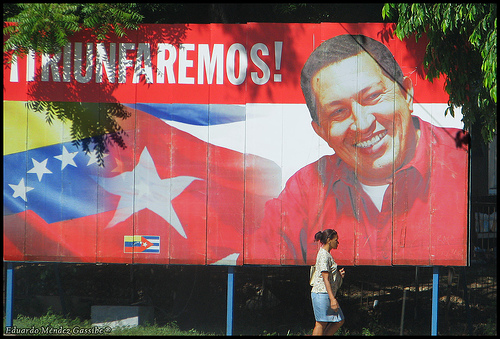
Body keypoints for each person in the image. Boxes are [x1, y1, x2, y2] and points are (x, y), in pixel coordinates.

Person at [260, 34, 469, 266]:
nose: (362, 123)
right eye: (338, 112)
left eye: (372, 96)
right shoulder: (305, 190)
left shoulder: (462, 162)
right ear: (321, 132)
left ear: (407, 94)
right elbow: (260, 257)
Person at [310, 229, 345, 336]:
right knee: (321, 323)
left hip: (325, 294)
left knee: (338, 320)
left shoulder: (327, 254)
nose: (337, 242)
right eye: (336, 240)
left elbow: (328, 276)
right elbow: (325, 278)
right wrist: (332, 299)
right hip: (322, 293)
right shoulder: (324, 255)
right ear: (329, 240)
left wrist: (338, 275)